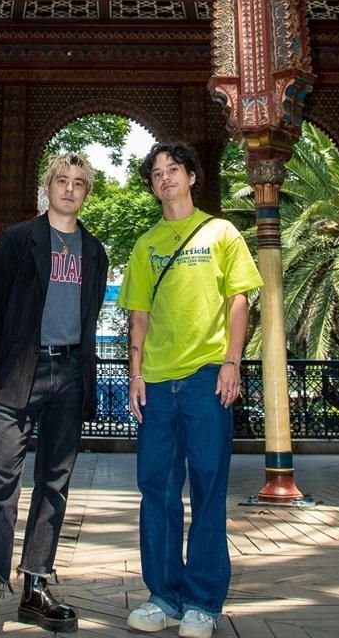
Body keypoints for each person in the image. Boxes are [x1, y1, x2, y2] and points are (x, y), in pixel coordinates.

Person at [0, 154, 109, 637]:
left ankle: (36, 586)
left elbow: (91, 314)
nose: (69, 189)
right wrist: (7, 363)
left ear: (86, 193)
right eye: (61, 181)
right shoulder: (18, 239)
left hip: (71, 373)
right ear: (47, 186)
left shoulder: (94, 252)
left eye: (79, 183)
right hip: (21, 372)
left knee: (55, 483)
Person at [116, 141, 262, 638]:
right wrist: (135, 374)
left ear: (192, 176)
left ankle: (203, 600)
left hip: (205, 377)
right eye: (156, 173)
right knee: (155, 490)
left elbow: (238, 301)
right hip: (156, 383)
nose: (164, 179)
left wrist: (231, 362)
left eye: (173, 169)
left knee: (207, 487)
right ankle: (163, 595)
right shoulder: (145, 244)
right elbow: (138, 315)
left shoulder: (222, 233)